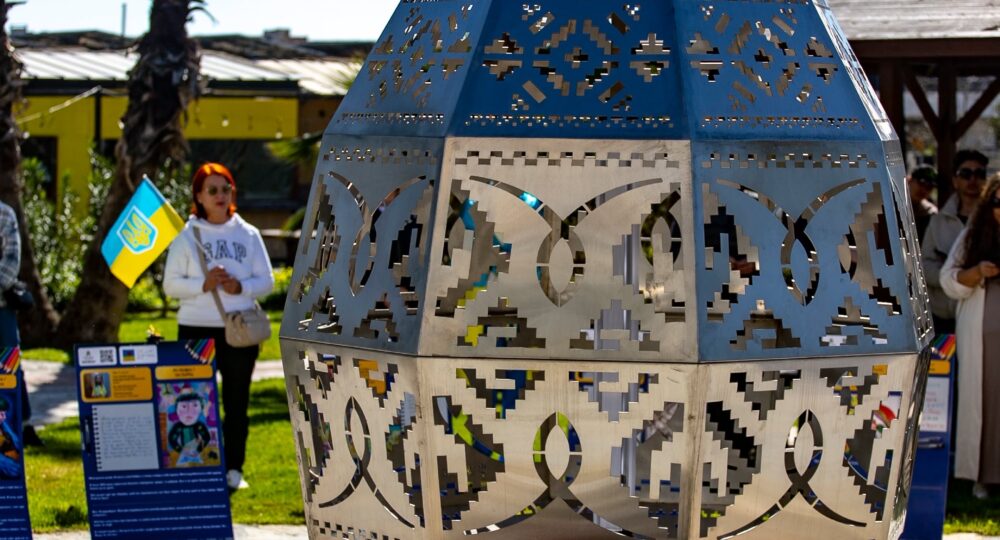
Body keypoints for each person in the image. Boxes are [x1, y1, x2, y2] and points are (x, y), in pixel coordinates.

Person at [164, 163, 274, 492]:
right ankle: (195, 466)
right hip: (196, 330)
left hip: (239, 330)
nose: (220, 196)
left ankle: (234, 469)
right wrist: (204, 283)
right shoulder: (186, 236)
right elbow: (170, 285)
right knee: (192, 401)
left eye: (226, 189)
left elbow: (267, 281)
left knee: (237, 403)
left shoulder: (248, 234)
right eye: (212, 190)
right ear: (198, 196)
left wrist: (241, 287)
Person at [940, 172, 1000, 500]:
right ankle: (982, 476)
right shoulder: (972, 235)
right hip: (982, 336)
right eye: (998, 202)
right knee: (985, 402)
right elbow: (947, 279)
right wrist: (977, 272)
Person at [922, 150, 990, 335]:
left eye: (979, 174)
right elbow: (924, 266)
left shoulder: (993, 220)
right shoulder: (938, 221)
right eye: (966, 173)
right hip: (942, 317)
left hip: (981, 315)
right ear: (955, 181)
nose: (973, 179)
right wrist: (953, 277)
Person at [0, 201, 41, 447]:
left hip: (2, 307)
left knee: (10, 365)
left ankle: (22, 425)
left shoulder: (4, 214)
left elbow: (10, 264)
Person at [168, 390, 212, 467]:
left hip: (196, 454)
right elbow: (172, 439)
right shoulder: (178, 426)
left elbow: (206, 437)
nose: (189, 412)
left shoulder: (199, 425)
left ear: (200, 410)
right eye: (184, 407)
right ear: (177, 411)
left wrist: (198, 450)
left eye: (195, 406)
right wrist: (181, 450)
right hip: (184, 455)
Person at [907, 165, 938, 241]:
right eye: (921, 184)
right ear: (909, 180)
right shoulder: (892, 205)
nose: (924, 190)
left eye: (929, 187)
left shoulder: (931, 213)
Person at [0, 396, 20, 478]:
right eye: (1, 414)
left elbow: (14, 451)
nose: (3, 417)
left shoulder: (4, 428)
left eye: (4, 413)